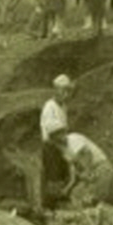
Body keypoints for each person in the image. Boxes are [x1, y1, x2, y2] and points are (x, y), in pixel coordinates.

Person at [38, 75, 75, 211]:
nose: (66, 94)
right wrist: (65, 148)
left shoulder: (63, 107)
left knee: (61, 176)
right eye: (63, 91)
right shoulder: (50, 107)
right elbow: (54, 133)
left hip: (60, 147)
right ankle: (49, 209)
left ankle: (59, 206)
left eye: (68, 91)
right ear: (56, 90)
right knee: (53, 179)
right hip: (51, 147)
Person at [55, 128, 113, 207]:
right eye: (55, 136)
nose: (59, 137)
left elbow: (87, 154)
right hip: (90, 174)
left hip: (101, 169)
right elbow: (72, 167)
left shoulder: (73, 139)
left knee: (88, 199)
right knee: (76, 194)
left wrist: (87, 172)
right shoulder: (63, 150)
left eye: (60, 133)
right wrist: (68, 187)